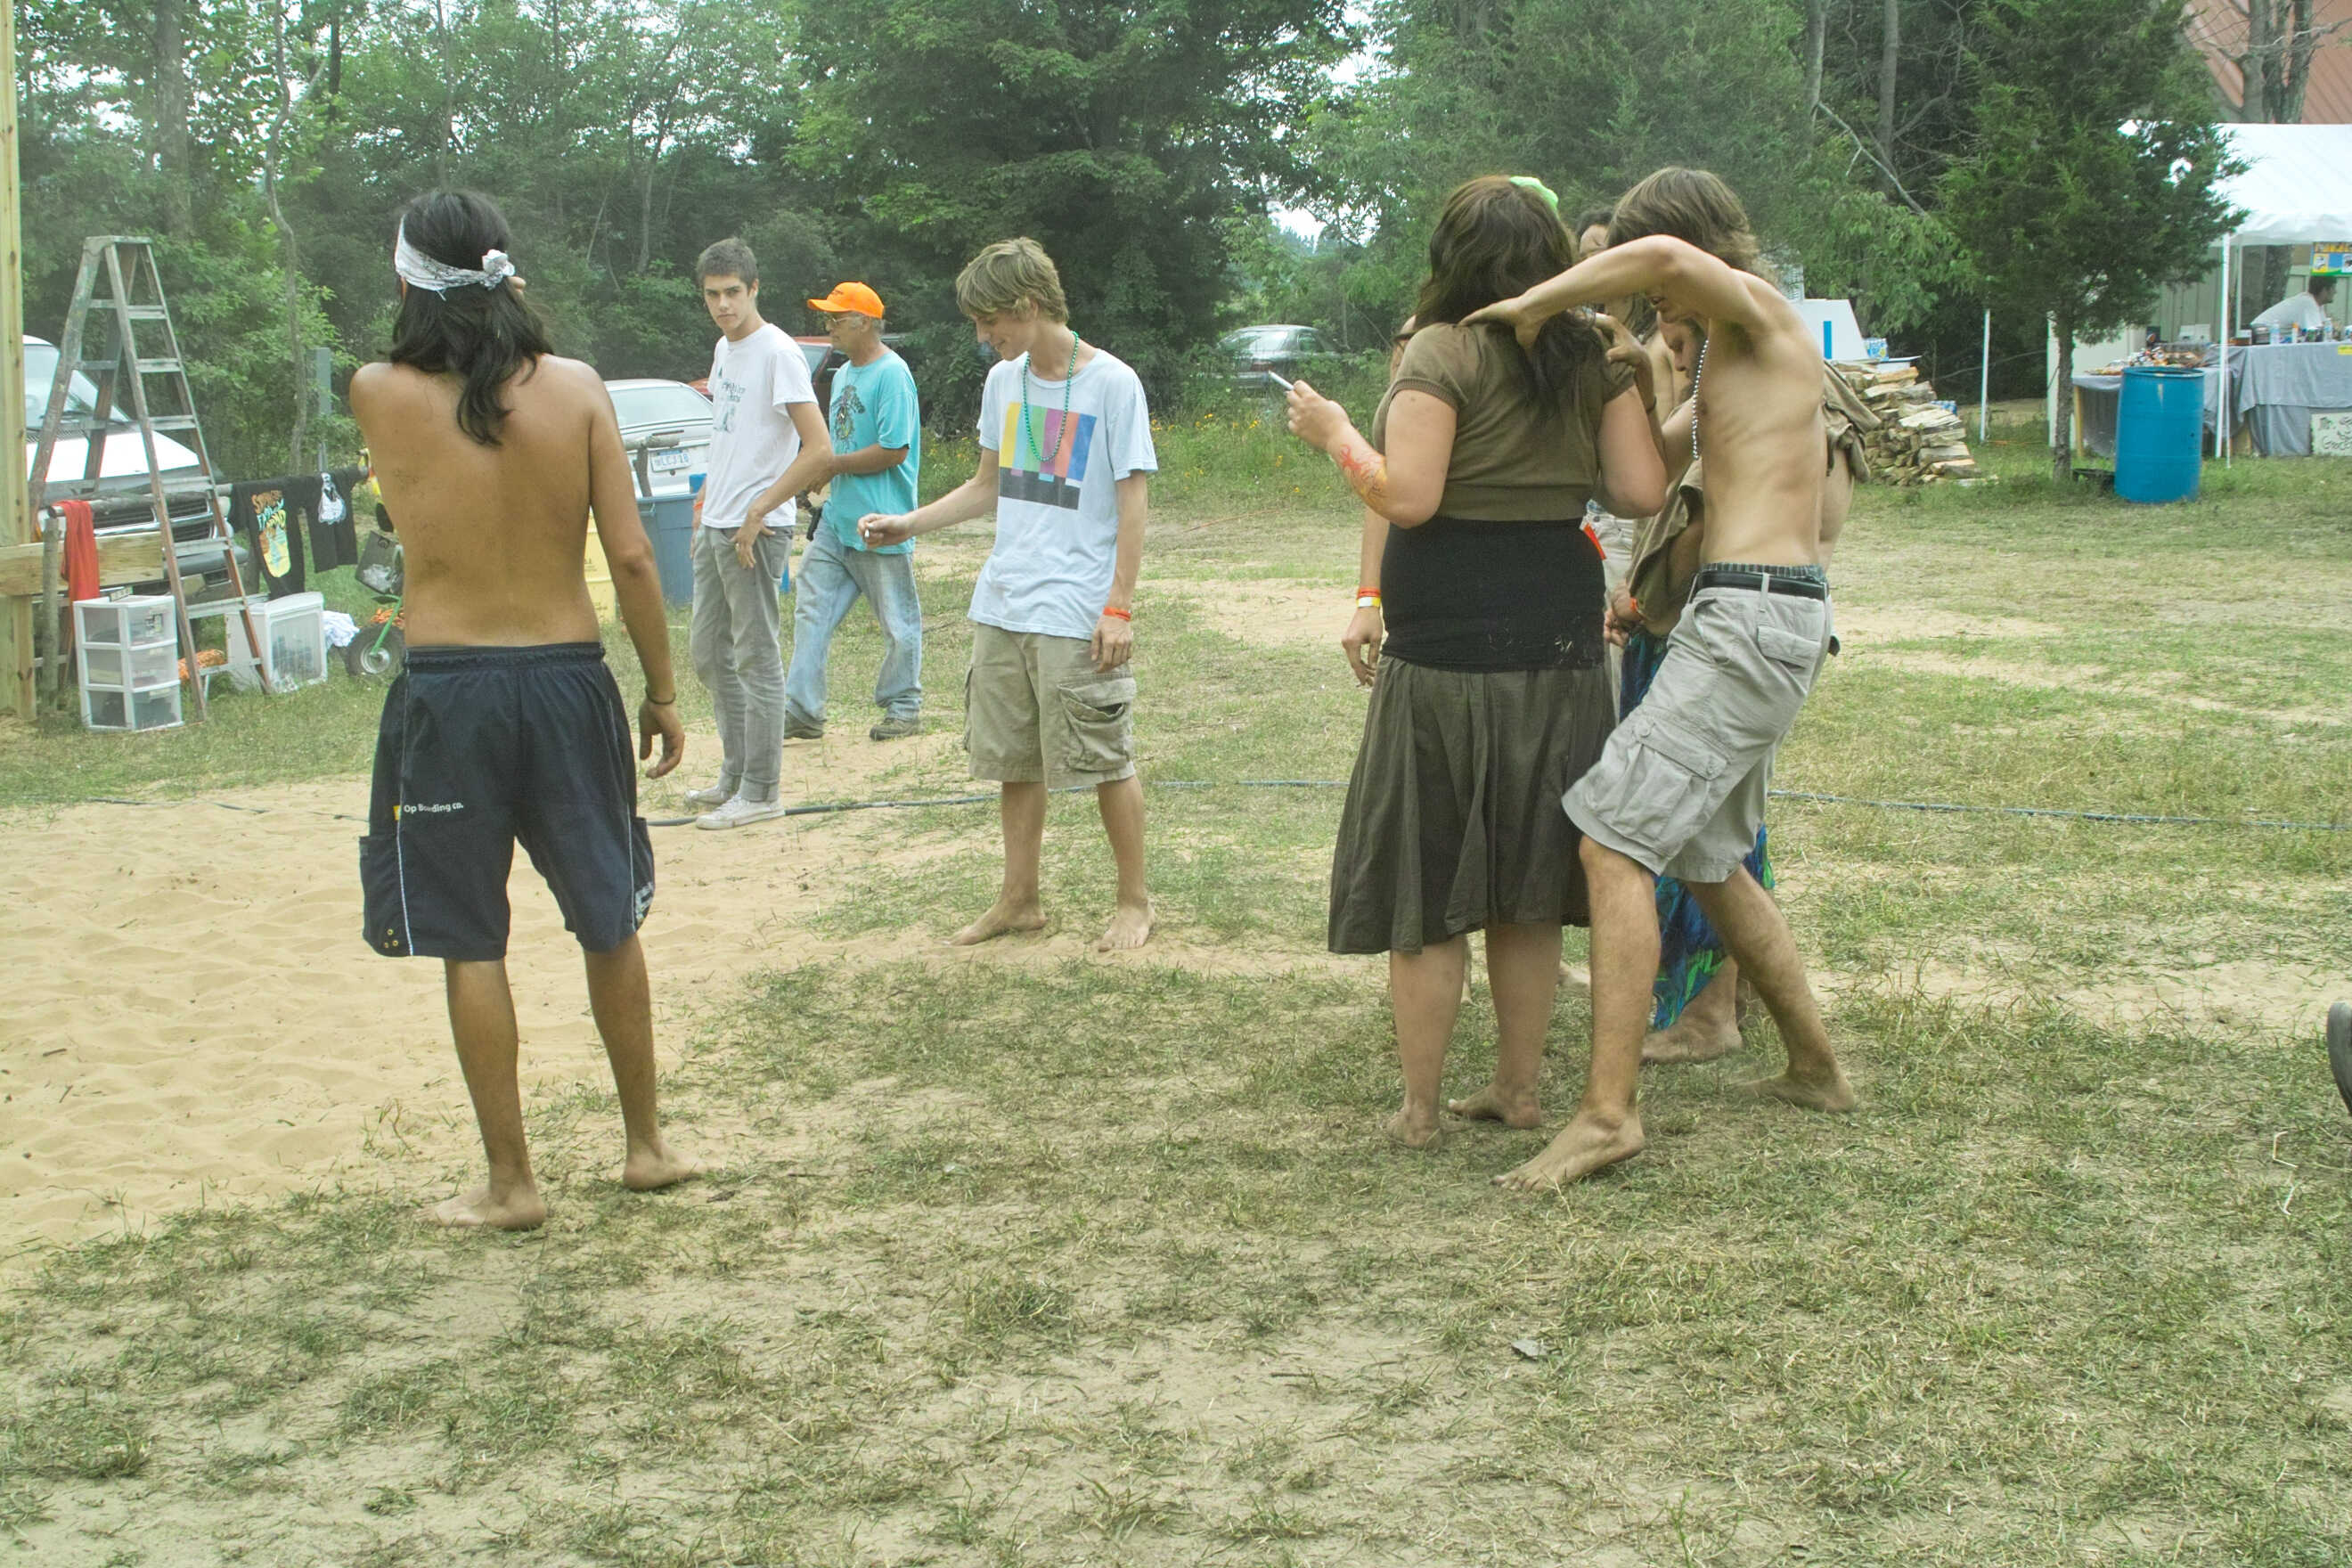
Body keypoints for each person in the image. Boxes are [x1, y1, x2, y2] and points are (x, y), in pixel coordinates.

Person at [1466, 165, 1858, 1190]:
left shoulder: (1758, 311)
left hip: (1752, 612)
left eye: (1654, 289)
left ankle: (1608, 1115)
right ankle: (1817, 1066)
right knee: (1706, 856)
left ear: (1692, 245)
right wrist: (1627, 380)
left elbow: (1665, 258)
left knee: (1611, 837)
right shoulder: (1725, 354)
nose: (1654, 303)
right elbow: (1655, 461)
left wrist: (1534, 301)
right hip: (1753, 614)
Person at [1283, 176, 1668, 1151]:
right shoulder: (1590, 352)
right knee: (1529, 885)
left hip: (1447, 651)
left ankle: (1420, 1110)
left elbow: (1407, 496)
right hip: (1559, 647)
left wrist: (1335, 433)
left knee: (1428, 890)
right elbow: (1638, 488)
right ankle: (1519, 1090)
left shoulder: (1440, 350)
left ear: (1449, 256)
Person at [349, 190, 698, 1230]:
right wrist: (662, 688)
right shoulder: (580, 389)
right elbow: (632, 556)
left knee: (472, 937)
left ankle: (512, 1182)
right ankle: (646, 1144)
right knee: (607, 918)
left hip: (449, 687)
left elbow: (440, 416)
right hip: (567, 676)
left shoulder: (377, 392)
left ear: (408, 278)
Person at [857, 238, 1157, 951]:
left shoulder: (1113, 384)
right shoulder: (1003, 383)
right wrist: (908, 522)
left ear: (1027, 305)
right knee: (1013, 763)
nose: (982, 336)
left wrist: (1118, 606)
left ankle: (1135, 902)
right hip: (1004, 603)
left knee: (1106, 759)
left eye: (989, 321)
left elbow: (1133, 501)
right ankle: (1019, 900)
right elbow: (988, 484)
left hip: (1075, 608)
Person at [1614, 321, 1875, 1065]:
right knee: (1716, 838)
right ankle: (1759, 1025)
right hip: (1760, 631)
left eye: (1678, 337)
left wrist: (1639, 604)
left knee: (1686, 838)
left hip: (1713, 634)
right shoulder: (1810, 384)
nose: (1673, 355)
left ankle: (1709, 1009)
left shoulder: (1751, 393)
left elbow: (1691, 522)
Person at [682, 237, 833, 829]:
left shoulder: (779, 353)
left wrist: (759, 510)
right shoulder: (725, 348)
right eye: (712, 295)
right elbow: (730, 434)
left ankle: (763, 790)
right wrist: (707, 501)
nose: (723, 305)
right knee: (707, 651)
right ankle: (736, 774)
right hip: (716, 523)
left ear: (754, 289)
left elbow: (818, 449)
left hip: (757, 531)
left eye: (732, 293)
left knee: (756, 657)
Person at [781, 282, 926, 741]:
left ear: (865, 322)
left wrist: (832, 466)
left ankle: (903, 707)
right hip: (838, 520)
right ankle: (802, 710)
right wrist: (823, 473)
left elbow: (894, 450)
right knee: (811, 609)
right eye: (828, 319)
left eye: (837, 319)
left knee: (897, 622)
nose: (829, 327)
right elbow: (840, 445)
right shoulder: (843, 374)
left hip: (881, 522)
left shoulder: (892, 375)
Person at [2250, 274, 2337, 336]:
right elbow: (2316, 335)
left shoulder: (2315, 303)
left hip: (2270, 337)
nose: (2335, 292)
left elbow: (2325, 330)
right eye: (2333, 288)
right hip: (2260, 333)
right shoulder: (2307, 303)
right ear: (2324, 290)